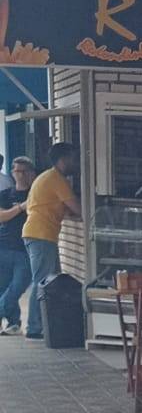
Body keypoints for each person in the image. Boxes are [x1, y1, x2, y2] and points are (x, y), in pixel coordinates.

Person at [21, 142, 81, 340]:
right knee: (43, 281)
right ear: (63, 160)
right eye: (73, 158)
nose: (76, 162)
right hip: (41, 235)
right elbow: (77, 208)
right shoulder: (57, 179)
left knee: (51, 282)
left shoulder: (46, 177)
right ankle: (34, 327)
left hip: (40, 234)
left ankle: (47, 324)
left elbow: (63, 208)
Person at [0, 155, 35, 334]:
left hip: (25, 248)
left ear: (31, 173)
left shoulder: (35, 194)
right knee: (3, 286)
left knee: (18, 286)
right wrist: (21, 207)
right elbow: (2, 216)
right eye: (17, 171)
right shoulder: (5, 194)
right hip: (4, 245)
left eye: (24, 171)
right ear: (12, 173)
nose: (20, 175)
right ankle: (13, 323)